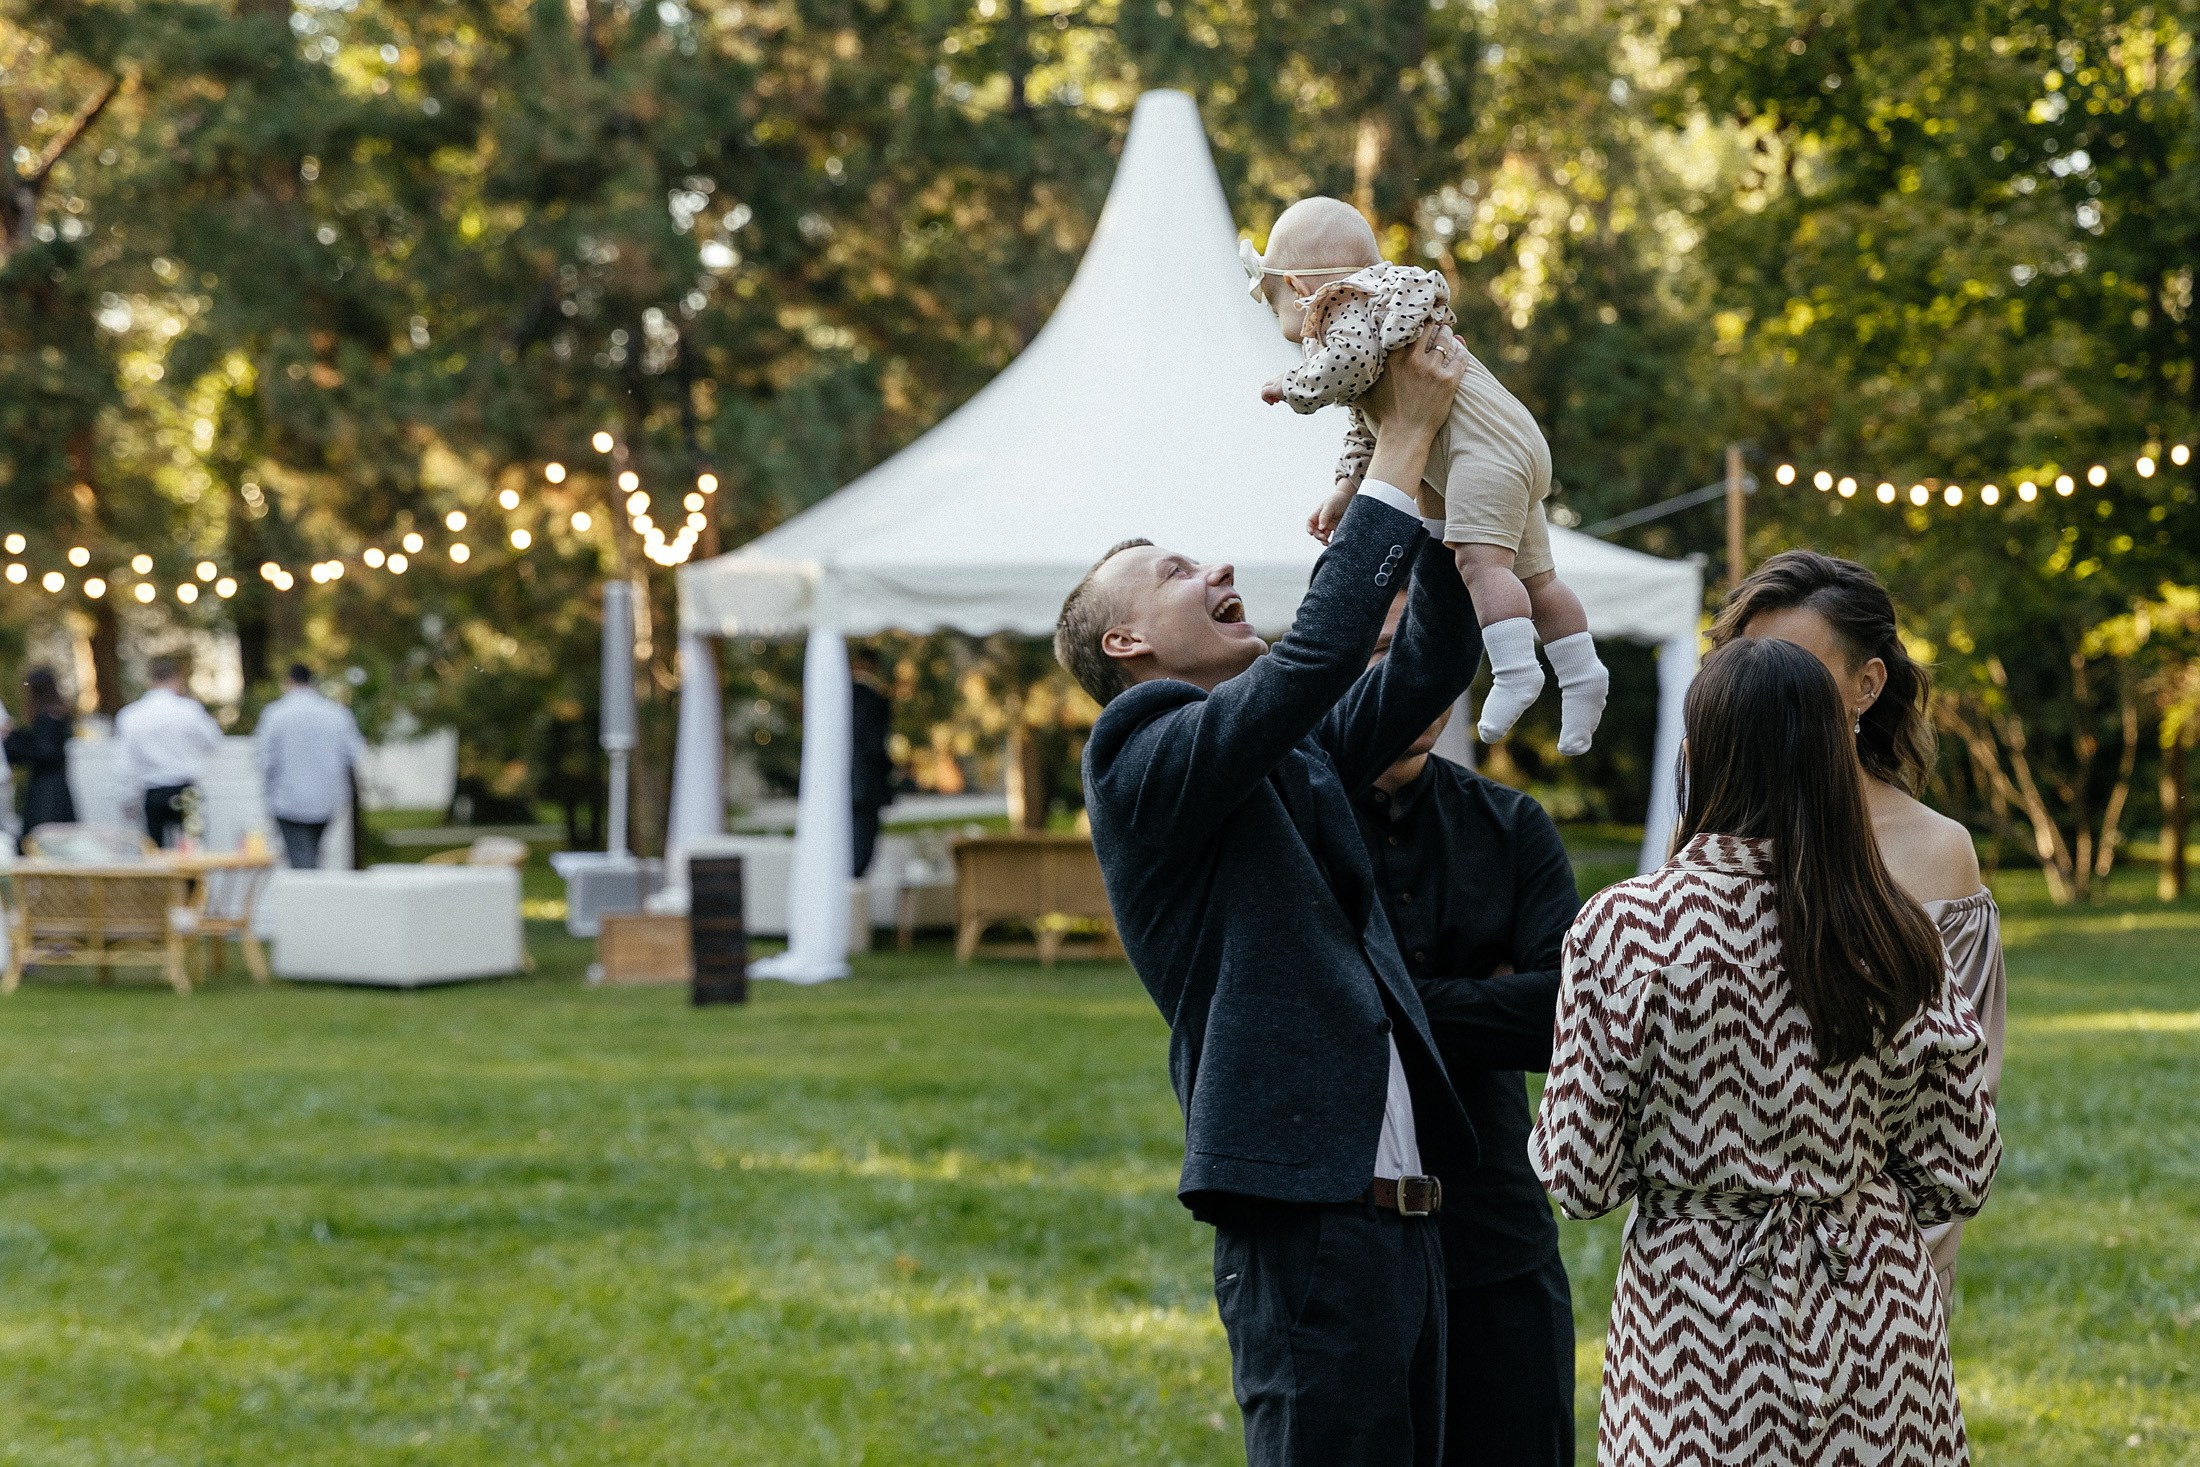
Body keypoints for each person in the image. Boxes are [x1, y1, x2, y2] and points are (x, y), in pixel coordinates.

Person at [1059, 325, 1477, 1467]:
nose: (1221, 571)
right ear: (1127, 637)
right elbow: (1317, 660)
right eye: (1179, 571)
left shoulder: (1278, 755)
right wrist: (1393, 450)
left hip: (1403, 1215)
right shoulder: (1137, 745)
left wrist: (1425, 497)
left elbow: (1426, 669)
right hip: (1304, 1216)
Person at [1530, 637, 2001, 1466]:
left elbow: (1579, 1177)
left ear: (1695, 757)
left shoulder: (1625, 929)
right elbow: (1961, 1165)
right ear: (1831, 763)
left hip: (1692, 1338)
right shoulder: (1894, 930)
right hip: (1877, 1329)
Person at [1711, 548, 2007, 1303]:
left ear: (1866, 685)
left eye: (1796, 669)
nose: (1765, 691)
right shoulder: (1706, 837)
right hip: (1710, 1280)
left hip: (1878, 1278)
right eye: (1747, 662)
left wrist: (1887, 1274)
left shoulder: (1935, 854)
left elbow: (1960, 1100)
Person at [1244, 196, 1609, 754]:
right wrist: (1347, 488)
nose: (1287, 330)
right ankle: (1584, 678)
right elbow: (1370, 423)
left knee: (1477, 563)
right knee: (1539, 580)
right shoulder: (1387, 311)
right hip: (1504, 446)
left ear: (1296, 287)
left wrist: (1294, 384)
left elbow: (1350, 366)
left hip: (1481, 454)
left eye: (1275, 310)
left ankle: (1516, 670)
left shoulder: (1347, 308)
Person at [1352, 591, 1579, 1467]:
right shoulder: (1296, 822)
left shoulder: (1513, 823)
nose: (1407, 680)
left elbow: (1564, 1016)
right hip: (1350, 1232)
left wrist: (1391, 995)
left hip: (1497, 1223)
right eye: (1376, 651)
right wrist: (1488, 994)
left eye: (1428, 655)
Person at [255, 664, 366, 869]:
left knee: (300, 856)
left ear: (288, 682)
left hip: (287, 798)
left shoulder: (275, 713)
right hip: (327, 799)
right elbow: (354, 752)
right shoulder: (337, 713)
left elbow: (263, 758)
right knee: (312, 851)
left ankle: (307, 894)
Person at [114, 656, 224, 849]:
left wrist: (127, 797)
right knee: (192, 849)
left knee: (154, 852)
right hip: (185, 790)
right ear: (178, 679)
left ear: (149, 679)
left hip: (152, 791)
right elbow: (213, 740)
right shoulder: (188, 709)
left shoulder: (131, 714)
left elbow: (125, 762)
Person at [5, 668, 78, 840]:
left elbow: (42, 751)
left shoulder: (46, 718)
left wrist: (12, 741)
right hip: (56, 787)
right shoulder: (58, 714)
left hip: (45, 793)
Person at [849, 648, 895, 877]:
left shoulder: (839, 695)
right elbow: (874, 745)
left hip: (844, 783)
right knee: (862, 847)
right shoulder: (875, 699)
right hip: (867, 783)